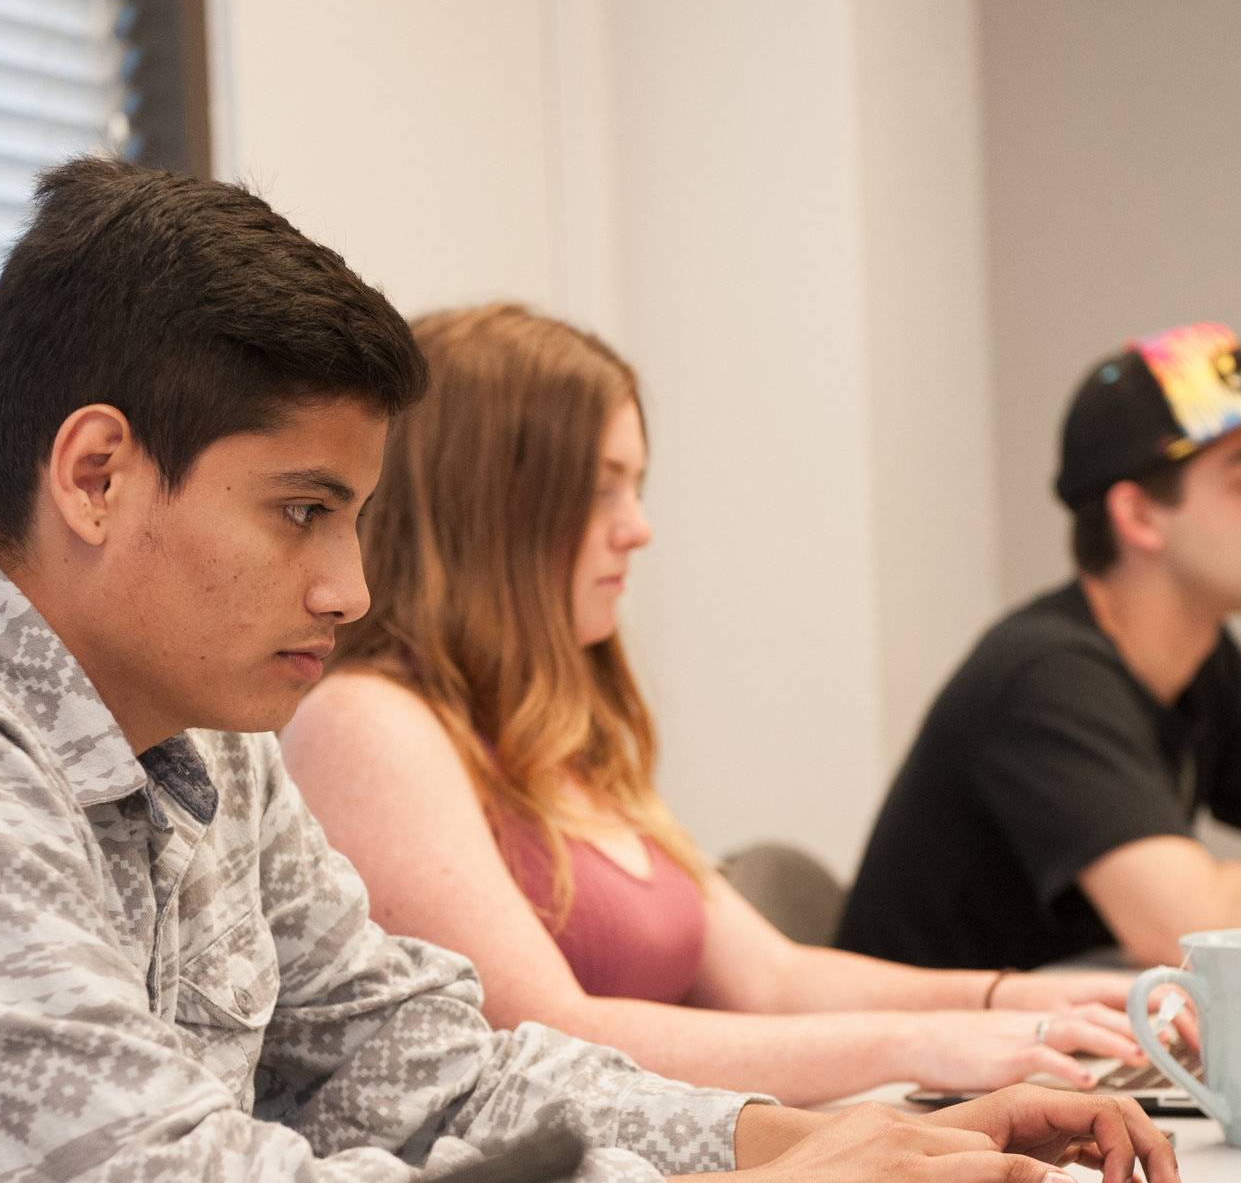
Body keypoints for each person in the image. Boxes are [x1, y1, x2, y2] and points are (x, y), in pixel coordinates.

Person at [0, 163, 1178, 1183]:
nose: (348, 587)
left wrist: (798, 1145)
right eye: (302, 513)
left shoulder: (205, 737)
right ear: (97, 473)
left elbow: (433, 1072)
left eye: (355, 520)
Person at [282, 303, 1158, 1108]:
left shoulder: (560, 731)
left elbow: (772, 978)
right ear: (491, 508)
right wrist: (923, 1043)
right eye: (601, 488)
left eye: (636, 486)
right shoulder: (368, 721)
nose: (639, 527)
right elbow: (548, 1036)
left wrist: (1011, 999)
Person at [836, 322, 1241, 971]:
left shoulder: (1202, 656)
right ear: (1139, 516)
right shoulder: (1044, 676)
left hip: (1061, 1039)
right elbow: (1189, 931)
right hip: (932, 1065)